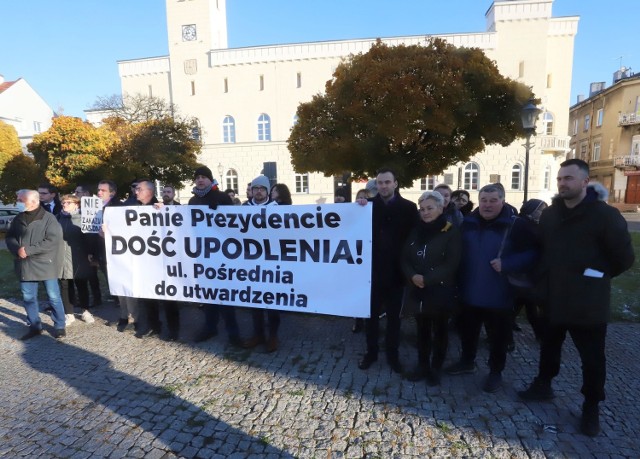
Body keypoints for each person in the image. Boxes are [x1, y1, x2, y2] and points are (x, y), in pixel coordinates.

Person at [518, 159, 634, 437]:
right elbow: (544, 250)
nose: (562, 183)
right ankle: (543, 384)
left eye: (569, 178)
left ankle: (591, 407)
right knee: (549, 346)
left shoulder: (604, 216)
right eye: (560, 178)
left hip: (587, 302)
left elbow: (624, 258)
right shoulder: (551, 215)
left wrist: (594, 275)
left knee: (592, 358)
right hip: (554, 296)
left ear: (585, 182)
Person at [445, 184, 536, 393]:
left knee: (498, 337)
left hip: (499, 294)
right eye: (484, 200)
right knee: (468, 332)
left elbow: (533, 253)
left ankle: (495, 372)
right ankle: (467, 361)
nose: (487, 205)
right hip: (469, 291)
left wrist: (509, 264)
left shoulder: (516, 225)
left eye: (493, 200)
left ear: (502, 201)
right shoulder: (468, 223)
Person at [358, 168, 418, 373]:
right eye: (380, 183)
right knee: (370, 317)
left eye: (387, 182)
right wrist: (359, 206)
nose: (383, 186)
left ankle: (393, 356)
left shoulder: (409, 208)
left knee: (394, 319)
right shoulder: (367, 207)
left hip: (397, 274)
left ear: (395, 184)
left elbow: (414, 239)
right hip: (371, 274)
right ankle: (371, 353)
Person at [402, 191, 462, 386]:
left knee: (441, 331)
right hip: (418, 289)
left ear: (441, 208)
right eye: (422, 209)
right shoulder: (415, 230)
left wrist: (426, 279)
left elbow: (451, 263)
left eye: (429, 208)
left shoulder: (450, 230)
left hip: (439, 289)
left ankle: (436, 367)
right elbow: (404, 257)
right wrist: (412, 275)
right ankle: (422, 365)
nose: (425, 212)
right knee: (422, 330)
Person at [188, 166, 242, 346]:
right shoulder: (193, 201)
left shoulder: (222, 197)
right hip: (203, 254)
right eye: (198, 177)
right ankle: (210, 327)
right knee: (208, 295)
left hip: (222, 254)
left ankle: (233, 332)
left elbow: (233, 225)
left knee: (225, 296)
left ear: (210, 180)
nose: (200, 180)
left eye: (204, 177)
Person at [6, 189, 66, 339]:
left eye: (21, 200)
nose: (18, 203)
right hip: (25, 264)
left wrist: (28, 250)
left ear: (33, 201)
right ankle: (34, 325)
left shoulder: (49, 219)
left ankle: (60, 325)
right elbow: (10, 236)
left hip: (45, 262)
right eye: (18, 199)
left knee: (53, 296)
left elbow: (52, 240)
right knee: (28, 297)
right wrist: (17, 249)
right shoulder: (18, 218)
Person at [243, 175, 281, 352]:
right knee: (255, 301)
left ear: (267, 191)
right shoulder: (243, 208)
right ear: (252, 190)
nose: (258, 191)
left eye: (262, 189)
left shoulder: (277, 209)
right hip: (250, 262)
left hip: (271, 262)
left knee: (272, 303)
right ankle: (258, 334)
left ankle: (272, 336)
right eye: (256, 188)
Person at [57, 194, 95, 326]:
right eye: (63, 203)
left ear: (76, 204)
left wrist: (90, 253)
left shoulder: (83, 219)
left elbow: (89, 238)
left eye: (68, 203)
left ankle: (85, 311)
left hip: (79, 256)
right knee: (65, 285)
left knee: (82, 284)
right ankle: (69, 314)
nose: (65, 205)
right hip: (61, 256)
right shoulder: (57, 218)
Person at [74, 184, 103, 308]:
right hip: (79, 245)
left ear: (85, 194)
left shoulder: (95, 207)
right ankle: (84, 298)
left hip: (93, 244)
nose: (76, 195)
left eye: (78, 192)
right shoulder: (76, 208)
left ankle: (97, 299)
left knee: (92, 274)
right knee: (81, 274)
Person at [351, 188, 372, 333]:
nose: (362, 200)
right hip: (355, 259)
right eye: (360, 197)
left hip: (370, 259)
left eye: (366, 197)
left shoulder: (374, 214)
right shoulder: (351, 213)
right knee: (356, 291)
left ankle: (370, 321)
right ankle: (358, 320)